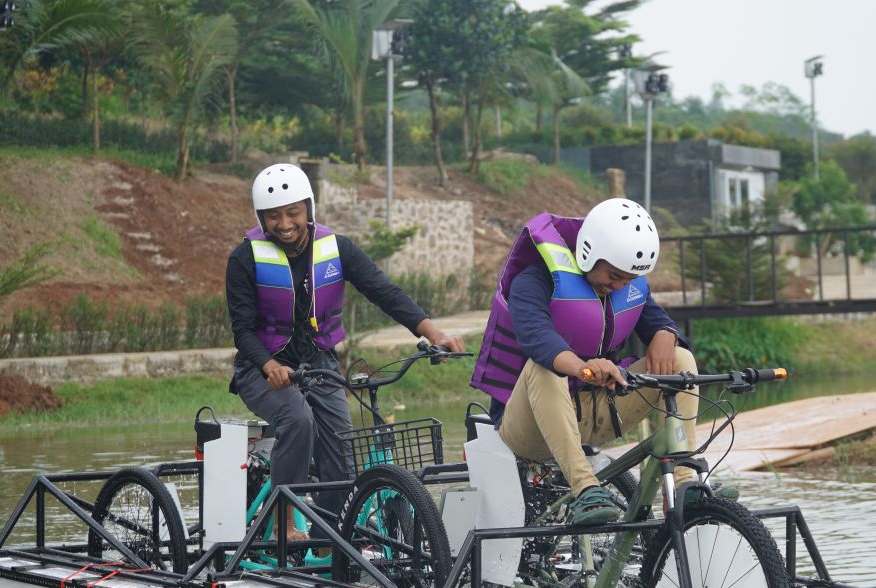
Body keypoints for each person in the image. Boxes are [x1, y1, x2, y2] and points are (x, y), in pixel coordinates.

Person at [227, 163, 464, 539]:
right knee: (297, 420)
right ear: (261, 218)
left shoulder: (337, 249)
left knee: (340, 444)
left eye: (293, 212)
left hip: (319, 363)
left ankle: (328, 542)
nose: (284, 223)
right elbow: (242, 330)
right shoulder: (245, 259)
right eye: (273, 216)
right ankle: (284, 523)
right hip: (262, 368)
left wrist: (434, 333)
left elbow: (385, 292)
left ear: (309, 209)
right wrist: (269, 365)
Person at [469, 197, 700, 526]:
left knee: (681, 357)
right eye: (614, 275)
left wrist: (665, 333)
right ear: (590, 251)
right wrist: (583, 367)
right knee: (543, 367)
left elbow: (658, 321)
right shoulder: (532, 281)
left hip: (597, 413)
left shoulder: (625, 283)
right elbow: (539, 340)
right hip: (528, 426)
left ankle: (684, 481)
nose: (619, 285)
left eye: (628, 279)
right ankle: (585, 489)